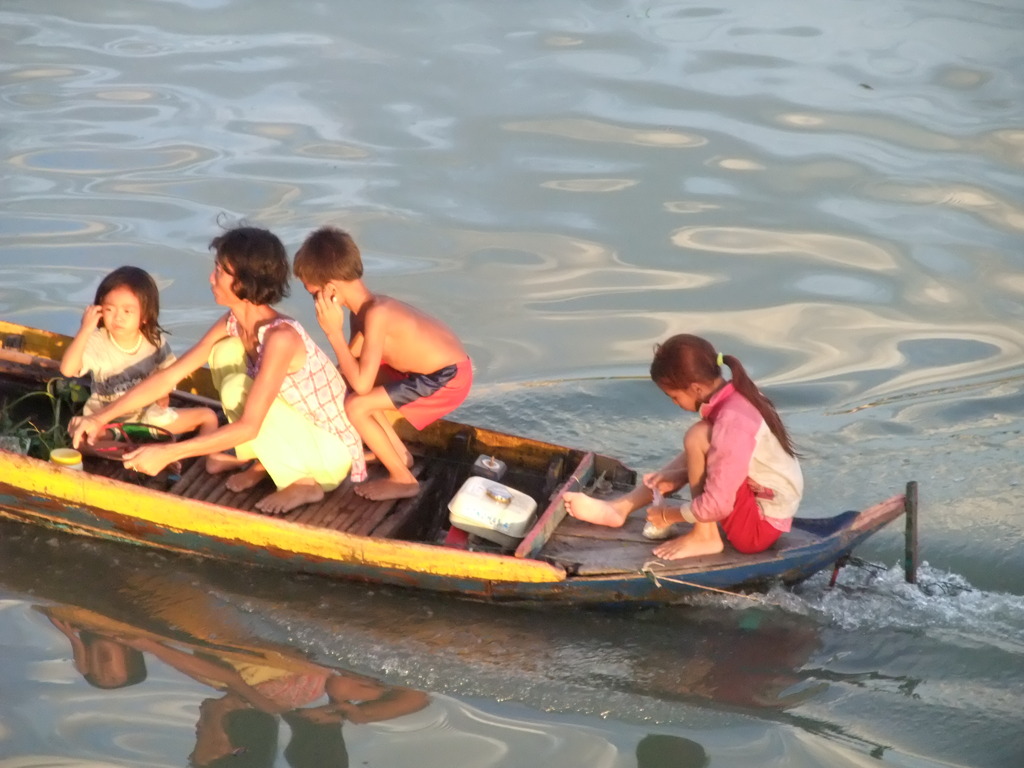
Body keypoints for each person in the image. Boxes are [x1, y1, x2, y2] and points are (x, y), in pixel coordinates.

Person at [68, 226, 367, 515]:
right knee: (225, 353)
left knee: (238, 387)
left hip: (328, 456)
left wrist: (167, 453)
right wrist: (99, 418)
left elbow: (250, 426)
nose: (211, 278)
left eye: (220, 272)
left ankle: (304, 483)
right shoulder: (234, 323)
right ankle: (265, 463)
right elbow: (170, 377)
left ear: (244, 281)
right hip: (302, 438)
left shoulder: (281, 338)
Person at [564, 334, 803, 561]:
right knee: (701, 438)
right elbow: (728, 462)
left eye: (675, 397)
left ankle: (705, 536)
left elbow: (718, 505)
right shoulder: (736, 398)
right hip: (760, 501)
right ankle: (620, 508)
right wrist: (679, 476)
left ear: (696, 388)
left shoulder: (733, 421)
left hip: (757, 529)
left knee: (697, 436)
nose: (675, 403)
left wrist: (669, 515)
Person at [292, 226, 472, 501]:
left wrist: (333, 333)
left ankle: (403, 479)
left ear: (330, 289)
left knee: (357, 405)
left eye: (313, 293)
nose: (316, 302)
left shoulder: (377, 314)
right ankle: (398, 455)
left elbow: (362, 385)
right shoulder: (362, 312)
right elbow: (348, 370)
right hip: (427, 371)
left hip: (448, 377)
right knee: (351, 390)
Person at [60, 266, 219, 452]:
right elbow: (67, 370)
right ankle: (133, 448)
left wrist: (163, 394)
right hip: (106, 421)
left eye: (127, 311)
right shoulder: (97, 340)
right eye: (110, 309)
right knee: (82, 441)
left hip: (150, 418)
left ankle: (209, 459)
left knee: (208, 417)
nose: (118, 317)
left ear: (144, 315)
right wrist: (85, 329)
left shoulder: (154, 340)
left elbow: (168, 375)